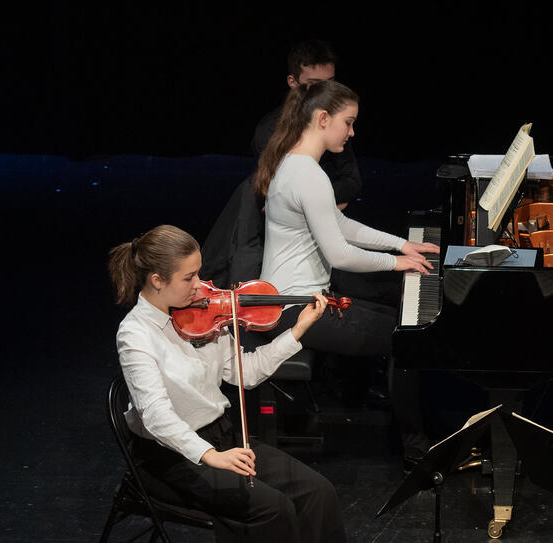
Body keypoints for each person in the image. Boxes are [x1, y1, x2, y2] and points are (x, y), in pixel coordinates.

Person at [108, 224, 346, 542]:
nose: (200, 285)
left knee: (318, 493)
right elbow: (155, 417)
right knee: (272, 509)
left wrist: (297, 330)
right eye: (188, 278)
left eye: (199, 273)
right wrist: (209, 455)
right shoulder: (135, 334)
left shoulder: (205, 315)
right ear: (157, 281)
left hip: (224, 438)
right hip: (174, 457)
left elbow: (244, 374)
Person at [254, 79, 438, 466]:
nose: (352, 133)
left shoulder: (297, 164)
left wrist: (400, 244)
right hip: (295, 310)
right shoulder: (307, 173)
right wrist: (397, 262)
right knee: (406, 339)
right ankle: (417, 449)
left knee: (405, 326)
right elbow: (339, 253)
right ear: (323, 119)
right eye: (348, 122)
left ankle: (415, 433)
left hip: (298, 301)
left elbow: (339, 224)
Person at [253, 39, 361, 211]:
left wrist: (317, 201)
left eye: (330, 83)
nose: (326, 92)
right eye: (316, 84)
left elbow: (352, 181)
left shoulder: (334, 122)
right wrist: (322, 201)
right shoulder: (269, 130)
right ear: (292, 82)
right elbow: (272, 193)